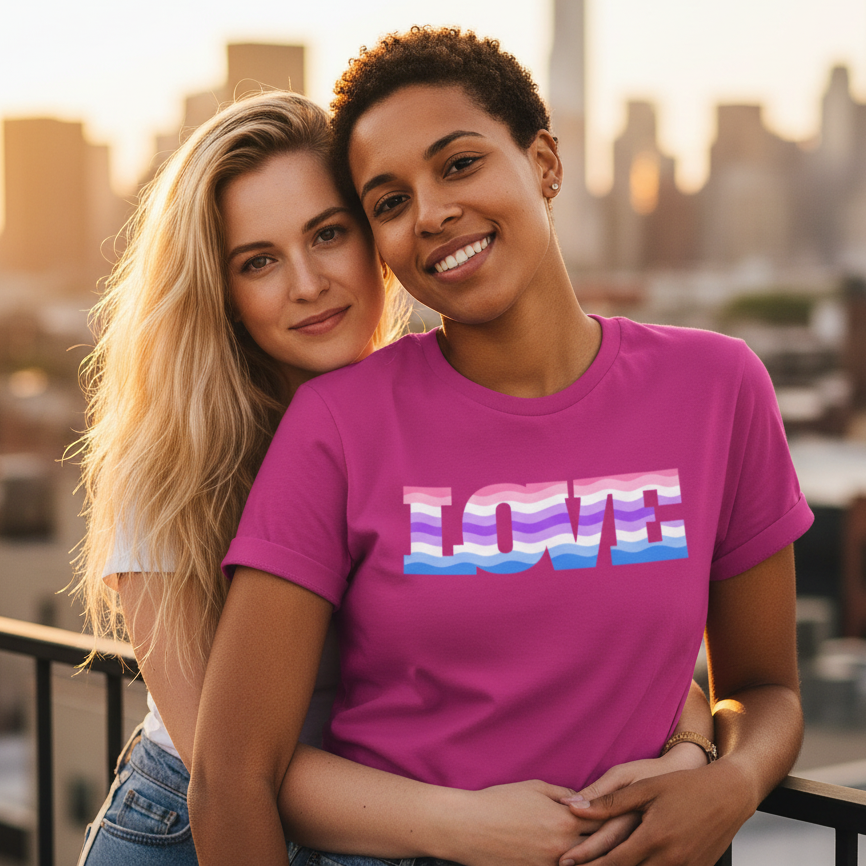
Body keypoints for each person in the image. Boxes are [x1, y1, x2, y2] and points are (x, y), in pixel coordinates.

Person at [190, 26, 812, 866]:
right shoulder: (338, 425)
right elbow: (230, 775)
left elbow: (766, 689)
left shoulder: (719, 387)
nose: (434, 214)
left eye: (458, 164)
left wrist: (729, 786)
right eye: (389, 202)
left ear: (545, 162)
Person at [74, 89, 712, 866]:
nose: (307, 283)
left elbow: (591, 628)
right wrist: (473, 824)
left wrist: (693, 743)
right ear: (221, 290)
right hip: (195, 830)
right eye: (260, 261)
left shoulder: (418, 417)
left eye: (329, 234)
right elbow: (226, 769)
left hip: (375, 831)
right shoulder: (174, 467)